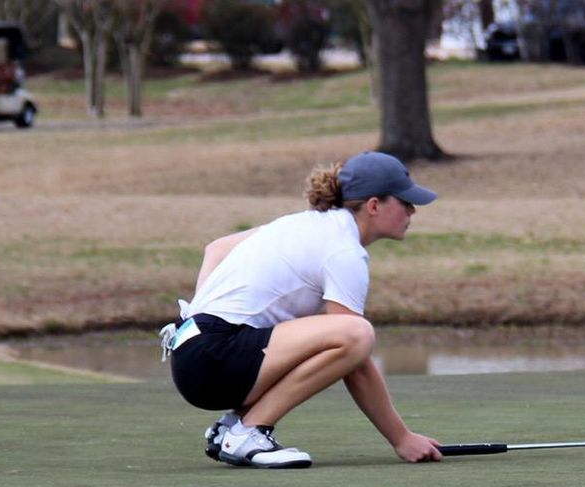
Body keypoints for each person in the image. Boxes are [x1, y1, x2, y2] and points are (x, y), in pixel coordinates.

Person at [159, 152, 444, 469]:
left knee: (340, 333)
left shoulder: (301, 223)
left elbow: (217, 248)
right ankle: (249, 432)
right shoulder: (344, 251)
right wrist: (401, 438)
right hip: (214, 362)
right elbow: (354, 355)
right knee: (357, 332)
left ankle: (233, 427)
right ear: (374, 206)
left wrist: (205, 314)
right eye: (405, 202)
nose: (412, 210)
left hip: (193, 354)